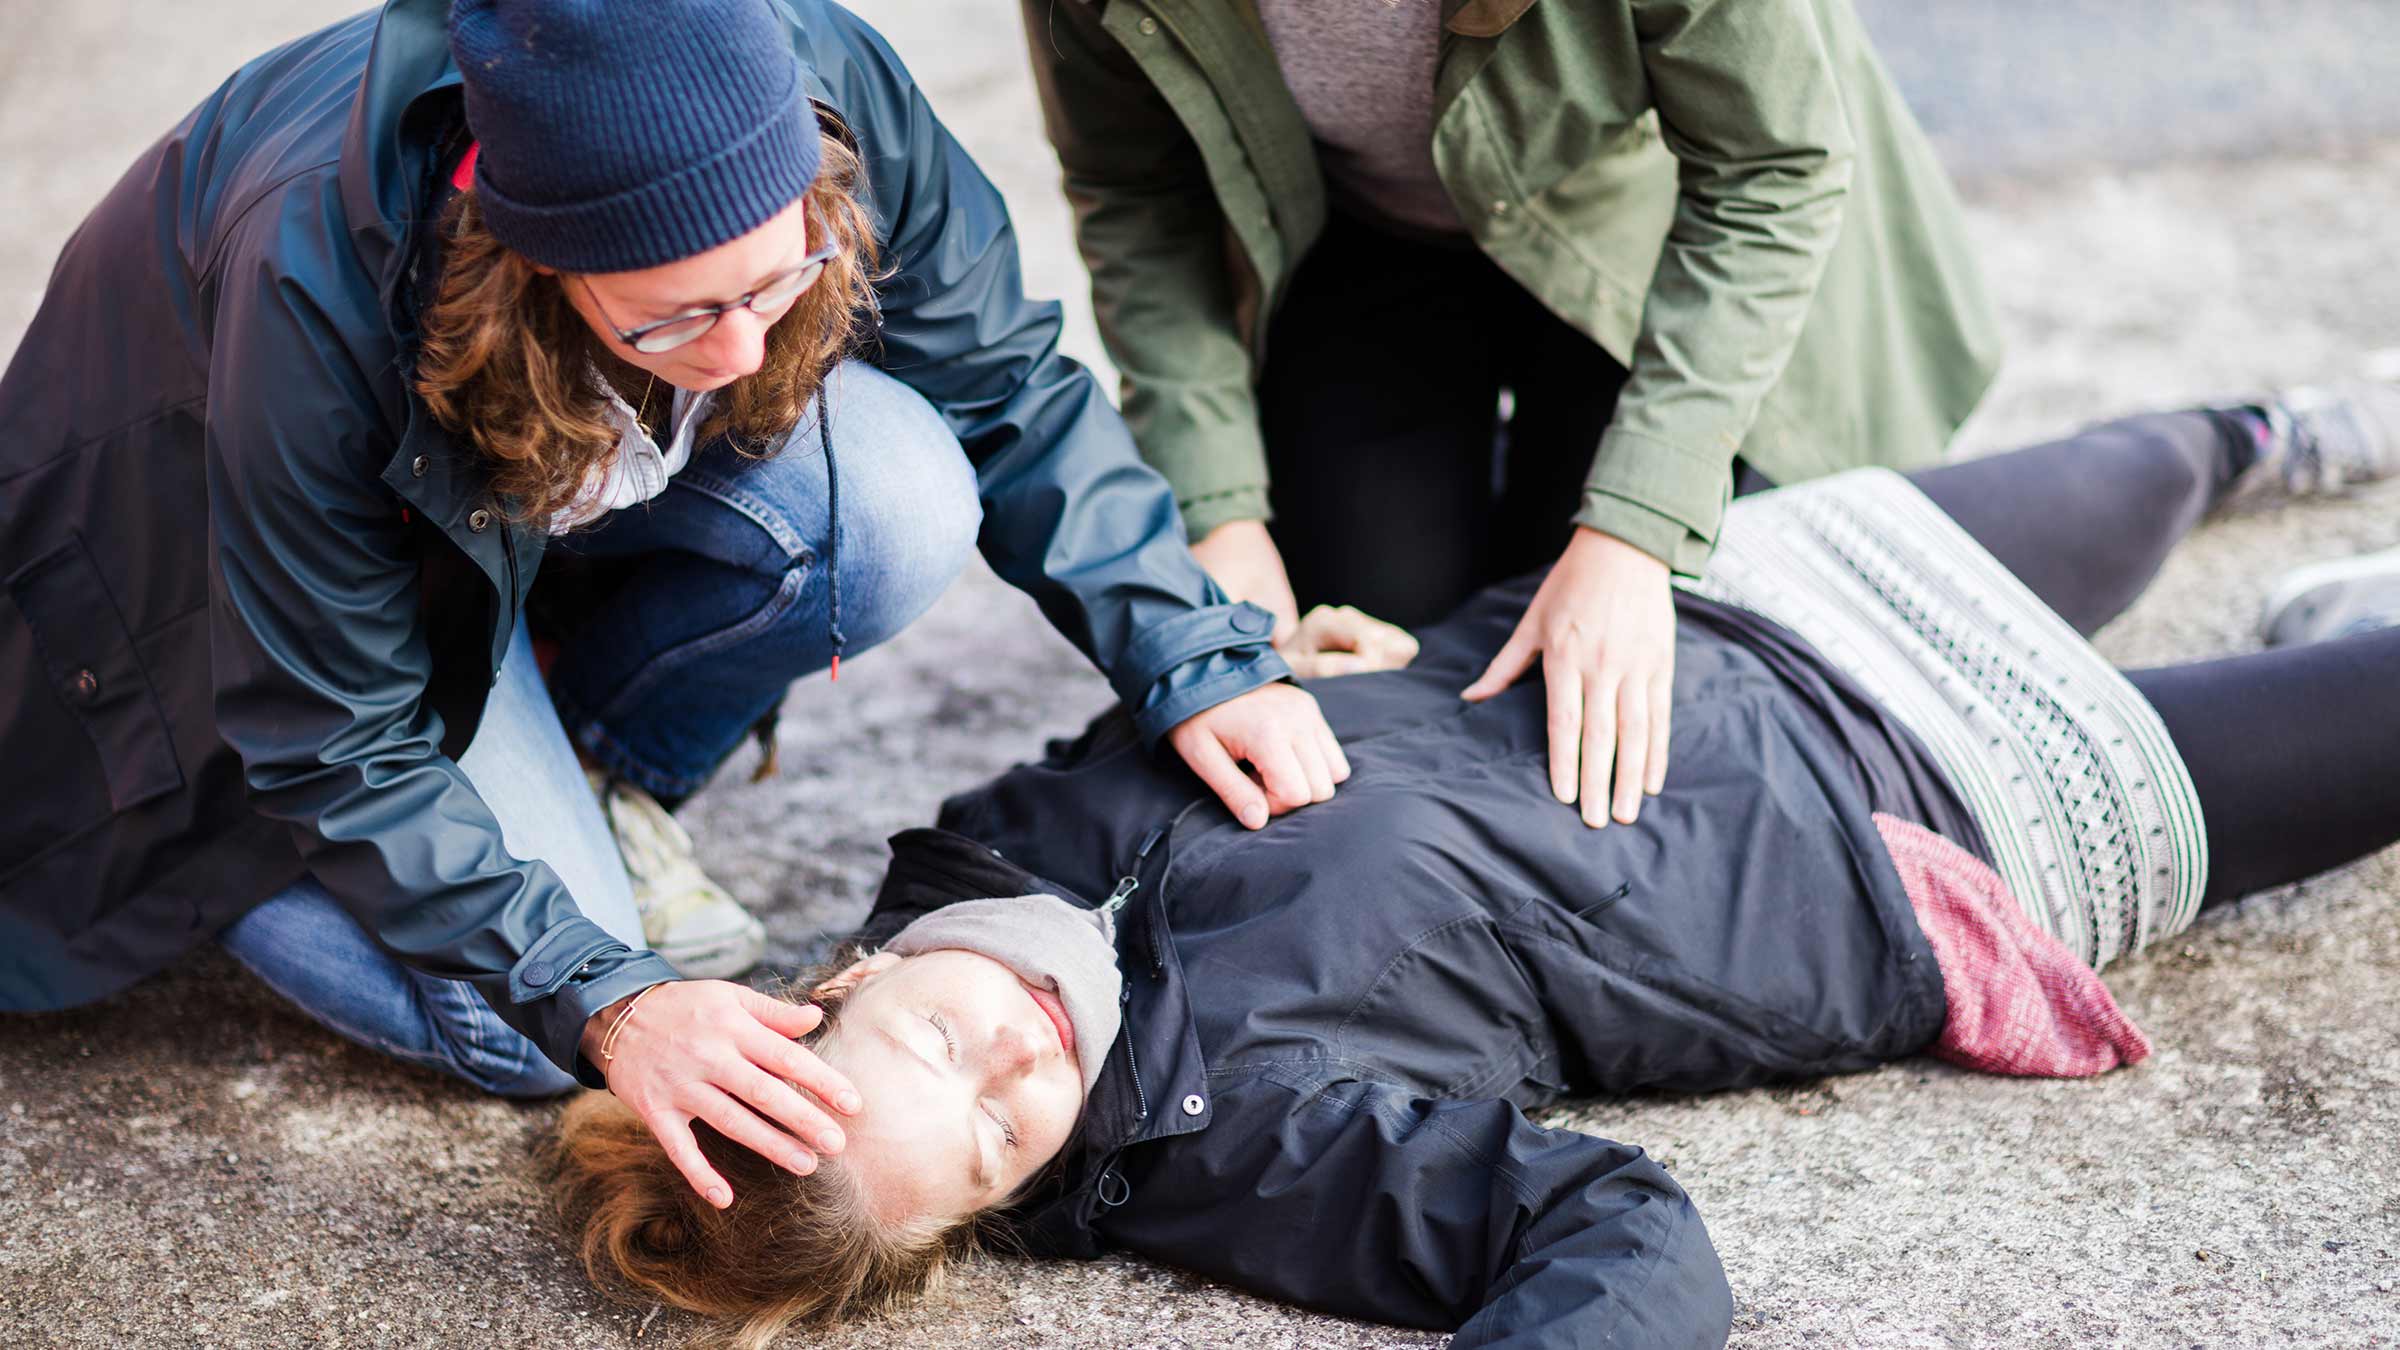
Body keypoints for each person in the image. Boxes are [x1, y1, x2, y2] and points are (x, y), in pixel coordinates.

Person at [547, 383, 2400, 1348]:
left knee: (2159, 458)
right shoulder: (1231, 1144)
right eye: (995, 1149)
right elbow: (1618, 1236)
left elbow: (1205, 716)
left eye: (941, 1055)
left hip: (1682, 628)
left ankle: (2294, 453)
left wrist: (1291, 663)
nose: (1020, 1070)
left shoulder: (970, 857)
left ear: (841, 983)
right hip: (1904, 832)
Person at [0, 0, 1350, 1210]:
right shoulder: (312, 272)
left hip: (487, 541)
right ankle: (216, 857)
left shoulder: (811, 69)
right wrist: (610, 1000)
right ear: (525, 259)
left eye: (780, 278)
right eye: (673, 319)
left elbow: (998, 381)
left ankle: (585, 765)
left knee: (895, 495)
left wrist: (1194, 648)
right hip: (244, 652)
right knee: (522, 1031)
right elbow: (336, 732)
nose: (746, 352)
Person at [1019, 0, 2004, 830]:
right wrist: (1223, 517)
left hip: (1640, 220)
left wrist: (1635, 530)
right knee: (1365, 678)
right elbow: (1136, 189)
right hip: (1357, 234)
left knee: (1612, 702)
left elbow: (1769, 168)